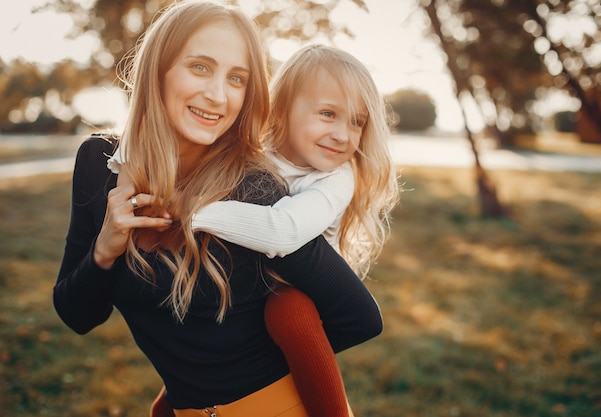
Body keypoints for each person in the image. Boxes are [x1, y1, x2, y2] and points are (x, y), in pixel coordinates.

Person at [53, 3, 383, 417]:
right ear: (160, 68)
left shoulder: (256, 191)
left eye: (237, 78)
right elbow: (77, 315)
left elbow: (359, 317)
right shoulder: (98, 164)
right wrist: (104, 251)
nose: (217, 94)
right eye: (200, 67)